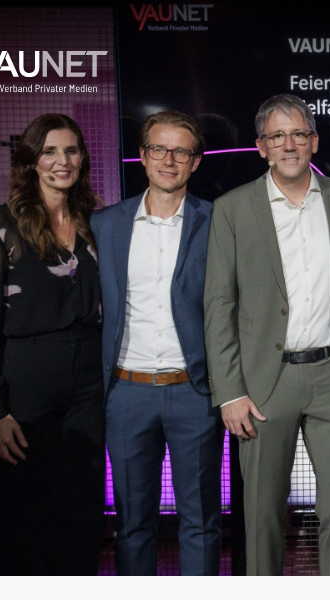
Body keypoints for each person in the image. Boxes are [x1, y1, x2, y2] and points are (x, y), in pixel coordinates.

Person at [204, 94, 330, 576]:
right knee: (263, 515)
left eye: (298, 134)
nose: (289, 145)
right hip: (262, 383)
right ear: (261, 147)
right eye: (277, 136)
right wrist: (229, 391)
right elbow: (219, 305)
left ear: (314, 142)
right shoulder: (232, 208)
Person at [0, 113, 104, 574]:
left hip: (88, 387)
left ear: (82, 159)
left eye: (71, 150)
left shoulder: (94, 223)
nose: (62, 161)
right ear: (31, 160)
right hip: (23, 388)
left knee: (80, 513)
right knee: (21, 516)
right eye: (49, 151)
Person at [91, 110, 222, 576]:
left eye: (180, 151)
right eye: (159, 149)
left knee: (201, 522)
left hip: (195, 392)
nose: (169, 160)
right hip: (126, 393)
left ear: (196, 161)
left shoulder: (217, 221)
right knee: (132, 523)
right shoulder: (106, 224)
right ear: (143, 157)